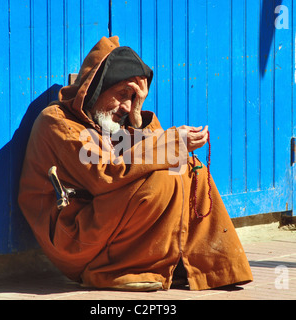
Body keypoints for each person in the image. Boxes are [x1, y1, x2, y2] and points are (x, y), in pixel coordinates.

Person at [18, 36, 253, 292]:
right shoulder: (57, 122)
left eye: (135, 97)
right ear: (95, 87)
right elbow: (106, 173)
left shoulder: (113, 120)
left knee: (189, 168)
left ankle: (211, 267)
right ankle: (111, 272)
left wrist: (138, 118)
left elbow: (149, 155)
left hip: (102, 222)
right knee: (164, 178)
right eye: (122, 95)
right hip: (72, 236)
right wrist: (172, 142)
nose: (126, 106)